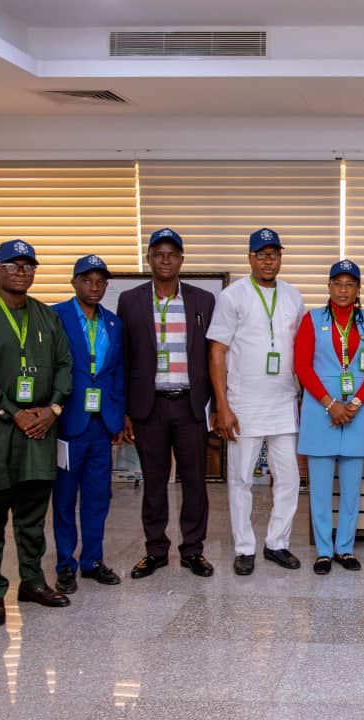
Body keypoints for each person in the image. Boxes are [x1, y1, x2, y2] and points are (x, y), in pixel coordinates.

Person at [0, 239, 73, 628]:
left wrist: (52, 409)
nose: (21, 272)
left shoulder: (46, 317)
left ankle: (33, 582)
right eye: (12, 265)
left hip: (38, 430)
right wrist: (12, 411)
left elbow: (64, 364)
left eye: (28, 266)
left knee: (32, 515)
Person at [117, 228, 216, 580]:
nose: (165, 260)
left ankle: (193, 550)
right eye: (158, 253)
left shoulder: (203, 300)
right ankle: (156, 550)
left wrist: (217, 406)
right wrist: (124, 410)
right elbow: (123, 357)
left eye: (172, 254)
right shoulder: (130, 300)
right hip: (149, 407)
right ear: (148, 258)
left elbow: (214, 356)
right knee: (154, 482)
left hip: (190, 405)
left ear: (181, 260)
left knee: (195, 483)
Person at [208, 228, 306, 576]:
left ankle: (277, 543)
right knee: (241, 480)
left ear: (280, 258)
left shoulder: (293, 295)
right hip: (243, 404)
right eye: (261, 254)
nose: (268, 261)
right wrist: (222, 406)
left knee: (289, 478)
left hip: (284, 402)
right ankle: (244, 547)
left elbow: (303, 350)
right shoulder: (232, 296)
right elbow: (217, 351)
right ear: (250, 258)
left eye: (274, 254)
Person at [294, 260, 364, 575]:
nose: (343, 290)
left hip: (356, 412)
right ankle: (323, 551)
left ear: (358, 289)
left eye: (349, 284)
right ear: (329, 287)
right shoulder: (312, 319)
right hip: (321, 411)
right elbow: (302, 366)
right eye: (337, 284)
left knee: (351, 489)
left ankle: (344, 547)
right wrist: (331, 404)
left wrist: (355, 404)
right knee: (320, 490)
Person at [51, 255, 126, 594]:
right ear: (74, 283)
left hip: (102, 424)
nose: (94, 287)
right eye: (87, 280)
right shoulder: (56, 316)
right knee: (65, 498)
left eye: (100, 281)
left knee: (98, 497)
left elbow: (117, 372)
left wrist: (119, 416)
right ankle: (65, 564)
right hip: (68, 421)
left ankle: (92, 560)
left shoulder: (113, 323)